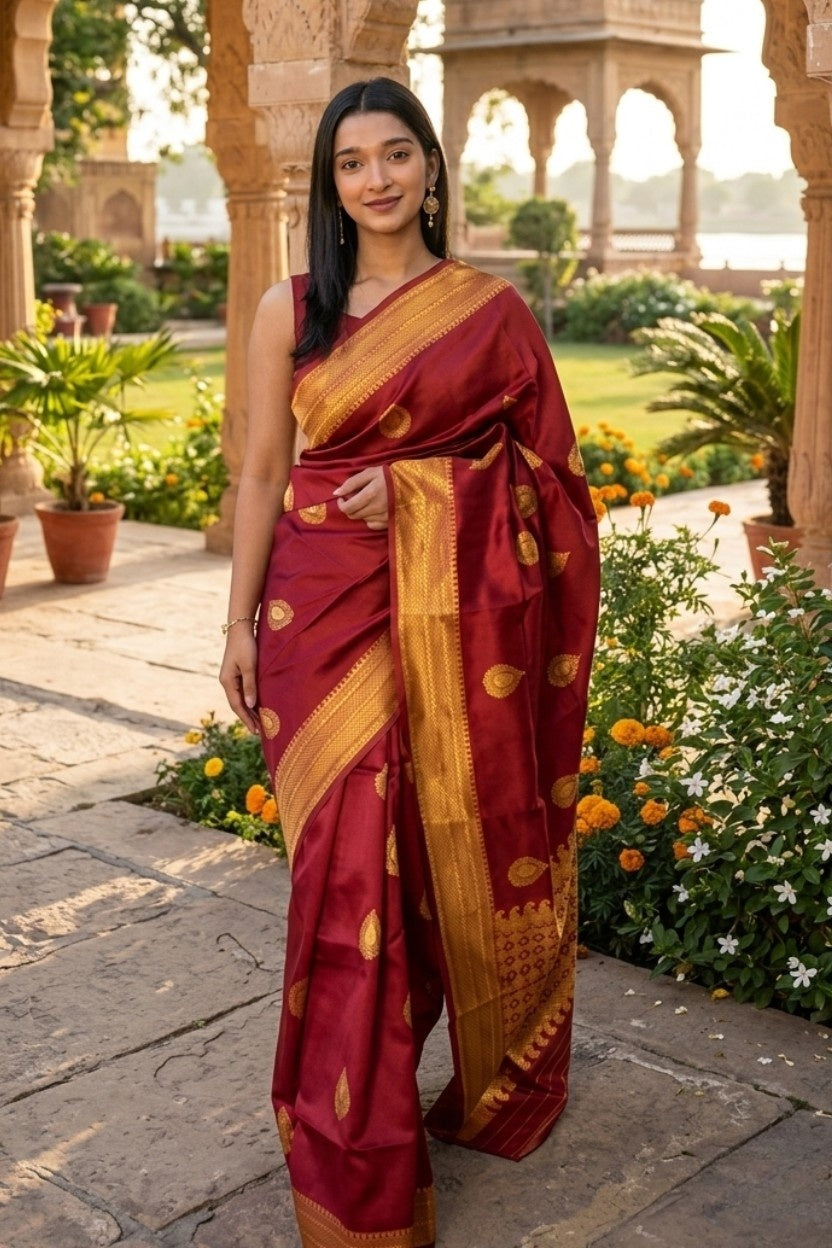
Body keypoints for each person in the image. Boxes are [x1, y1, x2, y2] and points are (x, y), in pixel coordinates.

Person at [220, 76, 600, 1248]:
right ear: (330, 183)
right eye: (350, 162)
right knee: (343, 882)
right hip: (316, 620)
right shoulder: (293, 309)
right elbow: (261, 473)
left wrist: (428, 492)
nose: (374, 178)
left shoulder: (491, 314)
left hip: (447, 611)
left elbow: (556, 488)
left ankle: (391, 1131)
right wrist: (236, 624)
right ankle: (353, 1141)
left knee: (421, 869)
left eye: (394, 154)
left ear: (431, 167)